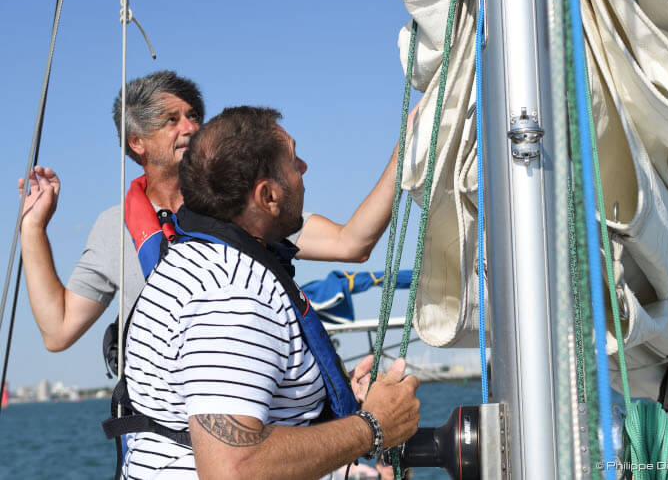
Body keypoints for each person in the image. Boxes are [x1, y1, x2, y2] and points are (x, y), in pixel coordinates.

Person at [122, 105, 420, 478]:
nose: (304, 168)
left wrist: (325, 403)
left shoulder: (198, 260)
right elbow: (231, 468)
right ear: (267, 196)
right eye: (294, 161)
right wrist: (374, 426)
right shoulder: (231, 292)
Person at [19, 70, 401, 355]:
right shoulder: (111, 227)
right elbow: (59, 330)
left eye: (193, 116)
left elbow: (352, 243)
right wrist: (34, 227)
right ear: (137, 142)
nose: (191, 127)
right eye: (172, 120)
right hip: (165, 442)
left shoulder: (236, 199)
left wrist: (404, 158)